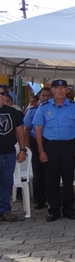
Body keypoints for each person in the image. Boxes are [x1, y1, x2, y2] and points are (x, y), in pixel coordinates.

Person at [33, 79, 75, 222]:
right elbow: (38, 130)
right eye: (58, 88)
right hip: (51, 147)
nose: (61, 91)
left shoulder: (74, 107)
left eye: (63, 88)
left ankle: (69, 210)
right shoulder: (44, 107)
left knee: (68, 179)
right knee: (51, 180)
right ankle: (53, 210)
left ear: (67, 90)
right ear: (52, 91)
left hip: (68, 147)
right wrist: (41, 151)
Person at [23, 86, 53, 210]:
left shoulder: (56, 109)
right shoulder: (33, 110)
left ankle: (52, 199)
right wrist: (27, 145)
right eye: (43, 95)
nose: (46, 98)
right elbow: (26, 128)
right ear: (39, 97)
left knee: (52, 173)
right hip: (36, 143)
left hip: (51, 143)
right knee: (38, 173)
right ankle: (39, 199)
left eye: (48, 96)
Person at [0, 88, 27, 222]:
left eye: (2, 94)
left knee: (7, 182)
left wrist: (22, 150)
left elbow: (20, 131)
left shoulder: (12, 112)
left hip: (9, 153)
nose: (0, 96)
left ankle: (5, 210)